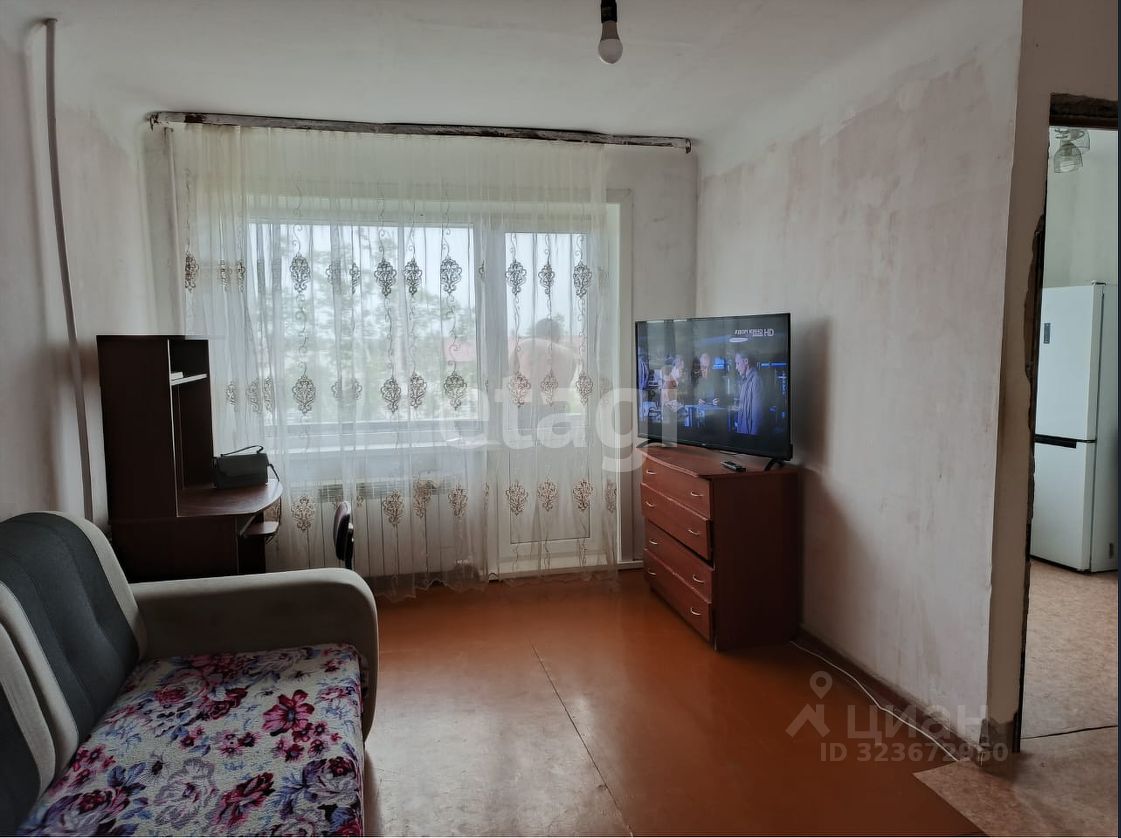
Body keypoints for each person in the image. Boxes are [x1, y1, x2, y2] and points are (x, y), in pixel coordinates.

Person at [734, 352, 765, 435]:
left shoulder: (756, 380)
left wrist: (752, 440)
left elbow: (757, 417)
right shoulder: (745, 381)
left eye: (738, 363)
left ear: (746, 361)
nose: (736, 367)